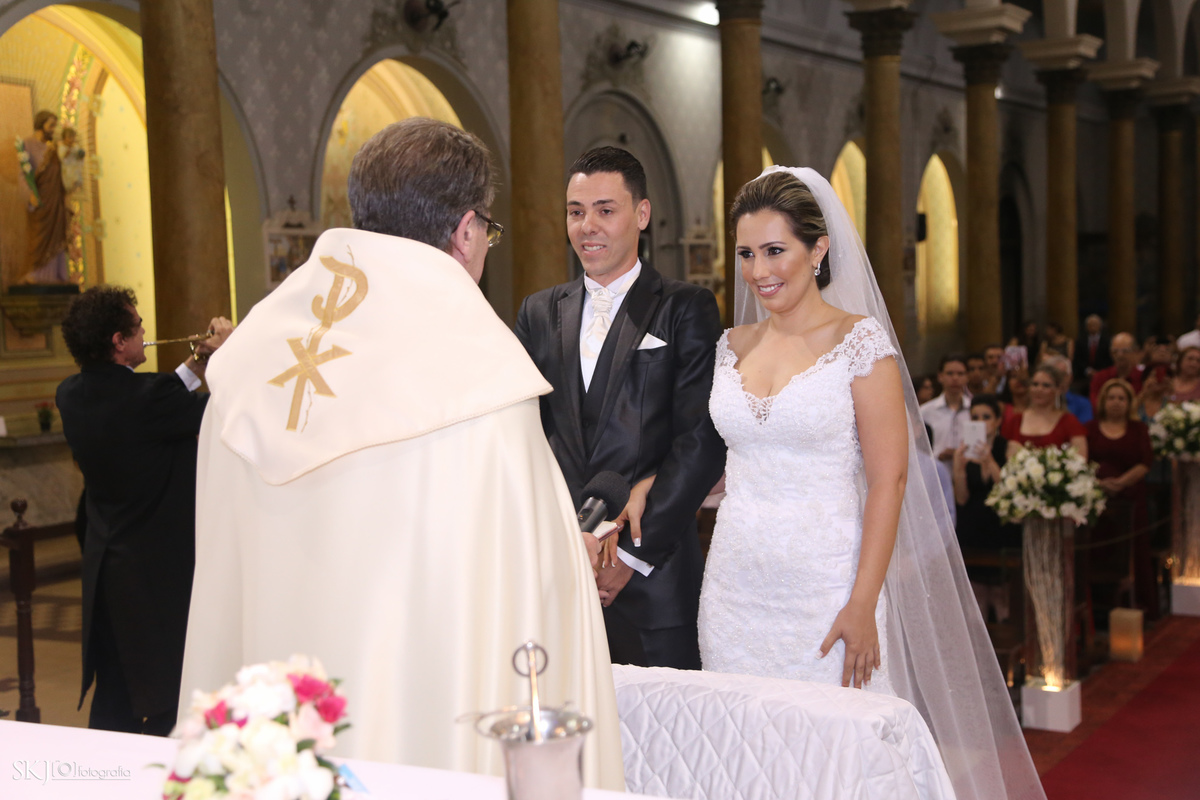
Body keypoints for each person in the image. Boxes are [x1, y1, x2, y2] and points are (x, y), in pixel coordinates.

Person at [178, 119, 624, 789]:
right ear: (466, 230)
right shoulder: (480, 380)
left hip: (275, 752)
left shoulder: (248, 365)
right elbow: (533, 595)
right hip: (416, 747)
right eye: (488, 233)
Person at [698, 166, 1043, 800]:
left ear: (818, 249)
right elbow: (729, 457)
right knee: (743, 756)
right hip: (734, 589)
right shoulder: (730, 345)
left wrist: (862, 603)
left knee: (833, 763)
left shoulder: (859, 343)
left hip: (826, 590)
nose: (758, 271)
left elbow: (890, 480)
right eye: (746, 253)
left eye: (775, 250)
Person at [516, 147, 726, 670]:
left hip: (653, 579)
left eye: (605, 210)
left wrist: (630, 556)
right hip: (561, 575)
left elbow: (698, 441)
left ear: (643, 214)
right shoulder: (538, 312)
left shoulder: (685, 308)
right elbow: (523, 435)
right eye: (576, 211)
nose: (587, 226)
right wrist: (566, 545)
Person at [56, 287, 232, 735]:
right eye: (137, 328)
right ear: (119, 341)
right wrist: (230, 354)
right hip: (156, 568)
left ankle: (105, 766)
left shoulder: (70, 394)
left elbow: (151, 398)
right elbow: (220, 411)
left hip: (107, 564)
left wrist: (198, 360)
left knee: (116, 688)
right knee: (163, 690)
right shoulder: (150, 399)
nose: (144, 332)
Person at [1086, 379, 1154, 617]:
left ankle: (1136, 605)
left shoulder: (1138, 429)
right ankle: (1098, 609)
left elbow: (1145, 462)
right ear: (1103, 401)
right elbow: (1082, 460)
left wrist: (1122, 482)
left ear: (1129, 402)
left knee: (1134, 551)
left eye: (1121, 398)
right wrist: (1100, 484)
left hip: (1131, 498)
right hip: (1097, 499)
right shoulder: (1090, 428)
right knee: (1098, 552)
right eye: (1111, 397)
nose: (1116, 402)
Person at [952, 395, 1020, 623]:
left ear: (998, 420)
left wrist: (990, 462)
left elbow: (1011, 493)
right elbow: (961, 498)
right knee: (977, 596)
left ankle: (1007, 637)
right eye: (975, 417)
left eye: (986, 417)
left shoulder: (1010, 448)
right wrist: (958, 468)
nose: (980, 422)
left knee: (1002, 596)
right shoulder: (964, 451)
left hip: (1002, 528)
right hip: (973, 526)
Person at [17, 110, 69, 283]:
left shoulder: (53, 148)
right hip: (41, 201)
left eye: (55, 126)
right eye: (51, 125)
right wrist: (29, 194)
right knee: (40, 237)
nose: (54, 130)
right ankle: (37, 273)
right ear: (41, 125)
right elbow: (22, 175)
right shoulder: (27, 145)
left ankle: (58, 274)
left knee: (58, 236)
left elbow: (61, 174)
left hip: (56, 201)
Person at [1003, 363, 1088, 458]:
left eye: (1046, 385)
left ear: (1058, 389)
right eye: (1035, 384)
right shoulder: (1016, 421)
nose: (1039, 389)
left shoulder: (1069, 422)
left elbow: (1080, 460)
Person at [920, 354, 970, 460]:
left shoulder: (974, 410)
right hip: (935, 467)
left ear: (967, 377)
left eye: (960, 374)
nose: (955, 378)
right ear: (940, 376)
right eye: (950, 373)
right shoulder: (925, 411)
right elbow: (919, 449)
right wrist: (938, 456)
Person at [1090, 332, 1144, 408]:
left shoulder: (1143, 377)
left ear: (1135, 352)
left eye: (1125, 351)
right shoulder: (1100, 377)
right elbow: (1096, 406)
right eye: (1115, 351)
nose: (1120, 355)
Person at [1042, 353, 1092, 423]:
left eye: (1062, 374)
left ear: (1070, 377)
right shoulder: (1038, 402)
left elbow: (1083, 427)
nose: (1058, 379)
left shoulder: (1083, 404)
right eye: (1053, 375)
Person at [1074, 314, 1112, 392]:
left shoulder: (1107, 341)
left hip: (1103, 374)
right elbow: (1077, 359)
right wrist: (1087, 370)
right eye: (1090, 325)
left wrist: (1098, 372)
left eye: (1095, 324)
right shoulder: (1080, 341)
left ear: (1100, 326)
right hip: (1083, 376)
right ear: (1086, 327)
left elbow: (1109, 359)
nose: (1093, 327)